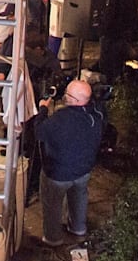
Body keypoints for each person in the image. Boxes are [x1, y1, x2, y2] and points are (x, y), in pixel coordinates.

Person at [35, 79, 105, 246]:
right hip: (83, 169)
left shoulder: (60, 119)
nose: (64, 96)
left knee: (53, 205)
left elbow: (39, 132)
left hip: (57, 174)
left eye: (67, 94)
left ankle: (53, 238)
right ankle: (78, 228)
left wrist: (43, 109)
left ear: (75, 100)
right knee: (79, 197)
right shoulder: (96, 113)